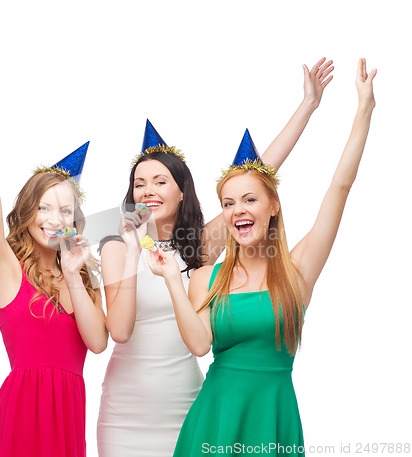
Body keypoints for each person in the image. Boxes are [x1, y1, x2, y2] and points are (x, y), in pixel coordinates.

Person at [97, 58, 335, 457]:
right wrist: (131, 243)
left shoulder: (201, 248)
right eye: (139, 184)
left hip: (187, 402)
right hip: (125, 406)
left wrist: (307, 106)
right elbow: (115, 327)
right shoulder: (114, 245)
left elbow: (259, 174)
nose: (148, 191)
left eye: (160, 181)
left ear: (182, 192)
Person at [148, 58, 376, 456]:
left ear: (273, 206)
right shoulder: (206, 276)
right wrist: (171, 280)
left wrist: (363, 111)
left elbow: (340, 186)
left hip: (272, 417)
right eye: (229, 203)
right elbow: (200, 345)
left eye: (250, 199)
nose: (238, 210)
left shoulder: (298, 270)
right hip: (214, 421)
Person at [0, 50, 108, 457]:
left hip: (68, 422)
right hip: (20, 420)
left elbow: (97, 343)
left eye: (65, 210)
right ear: (26, 211)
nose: (55, 218)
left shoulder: (83, 278)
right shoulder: (6, 269)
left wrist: (73, 274)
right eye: (44, 206)